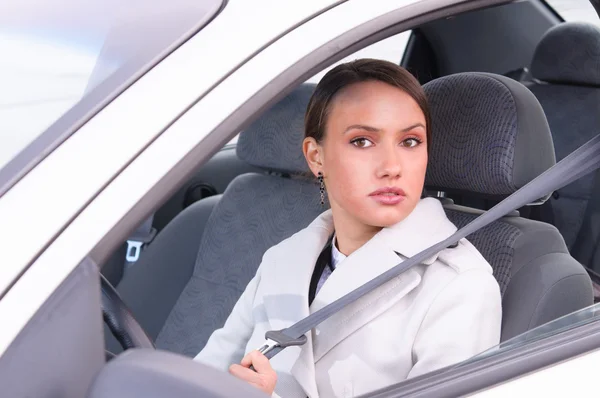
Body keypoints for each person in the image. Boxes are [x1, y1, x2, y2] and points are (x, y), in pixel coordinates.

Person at [195, 59, 502, 398]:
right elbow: (203, 376)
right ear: (316, 157)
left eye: (410, 141)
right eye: (362, 141)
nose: (392, 167)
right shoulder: (282, 260)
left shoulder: (460, 287)